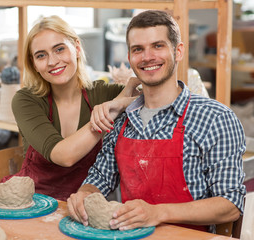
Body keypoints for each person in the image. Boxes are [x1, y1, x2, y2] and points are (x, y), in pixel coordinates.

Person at [67, 10, 246, 233]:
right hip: (131, 236)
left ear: (178, 51)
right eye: (138, 49)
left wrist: (158, 212)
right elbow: (100, 177)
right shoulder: (122, 119)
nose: (147, 57)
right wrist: (85, 194)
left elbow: (230, 205)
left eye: (158, 46)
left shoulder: (215, 118)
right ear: (130, 57)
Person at [0, 15, 140, 201]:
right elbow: (64, 156)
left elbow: (154, 96)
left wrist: (127, 92)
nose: (52, 61)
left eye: (59, 49)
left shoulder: (101, 94)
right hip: (32, 203)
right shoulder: (26, 100)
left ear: (77, 48)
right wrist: (111, 111)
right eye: (41, 55)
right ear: (34, 63)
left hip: (83, 205)